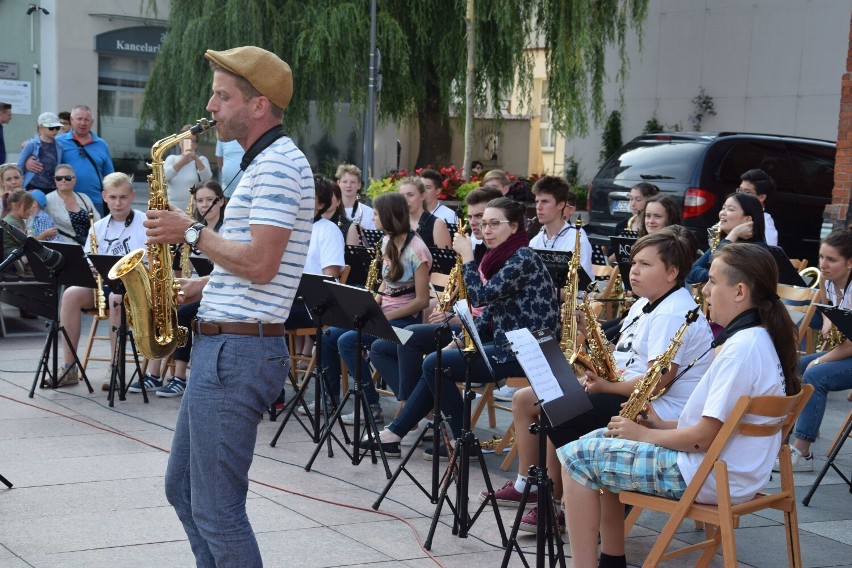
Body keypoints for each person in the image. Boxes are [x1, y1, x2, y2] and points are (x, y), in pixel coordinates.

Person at [144, 45, 314, 567]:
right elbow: (257, 264)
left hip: (237, 354)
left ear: (257, 105)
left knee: (218, 510)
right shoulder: (259, 163)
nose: (211, 106)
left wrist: (190, 231)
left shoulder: (280, 165)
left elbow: (263, 263)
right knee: (184, 491)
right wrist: (206, 286)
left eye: (223, 96)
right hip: (224, 345)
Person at [558, 243, 800, 568]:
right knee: (596, 441)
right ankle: (611, 560)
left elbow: (702, 438)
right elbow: (723, 427)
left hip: (706, 475)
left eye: (713, 281)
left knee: (575, 458)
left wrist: (642, 435)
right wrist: (658, 424)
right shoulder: (759, 338)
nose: (705, 289)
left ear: (740, 291)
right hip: (732, 473)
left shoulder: (740, 350)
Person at [485, 226, 713, 531]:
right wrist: (588, 348)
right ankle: (542, 489)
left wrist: (605, 386)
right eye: (633, 264)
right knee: (533, 397)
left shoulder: (672, 311)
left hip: (659, 408)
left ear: (672, 272)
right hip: (631, 392)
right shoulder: (644, 303)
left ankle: (565, 501)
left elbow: (658, 380)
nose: (634, 271)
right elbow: (624, 358)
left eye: (645, 265)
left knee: (560, 410)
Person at [371, 198, 560, 459]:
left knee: (436, 364)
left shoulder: (523, 257)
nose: (486, 229)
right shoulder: (503, 257)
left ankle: (454, 438)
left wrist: (468, 256)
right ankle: (404, 430)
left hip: (528, 350)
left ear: (514, 227)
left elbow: (480, 298)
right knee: (431, 355)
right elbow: (493, 310)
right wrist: (460, 340)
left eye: (494, 224)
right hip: (505, 342)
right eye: (484, 224)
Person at [368, 187, 502, 425]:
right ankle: (416, 410)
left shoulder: (499, 256)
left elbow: (484, 303)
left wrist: (454, 316)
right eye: (471, 217)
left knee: (431, 360)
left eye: (482, 218)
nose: (476, 223)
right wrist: (449, 310)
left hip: (487, 336)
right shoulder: (479, 249)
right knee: (388, 344)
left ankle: (414, 417)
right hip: (468, 326)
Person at [320, 192, 432, 423]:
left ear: (390, 217)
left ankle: (370, 405)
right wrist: (374, 303)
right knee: (330, 335)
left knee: (348, 341)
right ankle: (330, 398)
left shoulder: (418, 251)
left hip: (405, 321)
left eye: (377, 214)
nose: (373, 219)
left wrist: (386, 314)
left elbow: (422, 301)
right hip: (384, 314)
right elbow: (387, 279)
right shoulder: (386, 241)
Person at [132, 181, 229, 398]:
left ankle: (180, 376)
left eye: (209, 200)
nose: (205, 205)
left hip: (217, 291)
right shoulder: (193, 229)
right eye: (200, 201)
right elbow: (179, 272)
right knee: (164, 305)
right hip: (197, 287)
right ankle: (154, 373)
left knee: (181, 314)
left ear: (221, 201)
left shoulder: (225, 230)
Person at [55, 173, 146, 389]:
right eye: (112, 197)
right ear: (104, 197)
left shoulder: (145, 222)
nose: (117, 203)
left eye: (123, 197)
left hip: (135, 289)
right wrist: (91, 269)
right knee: (70, 294)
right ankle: (69, 367)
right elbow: (88, 261)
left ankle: (116, 369)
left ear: (132, 196)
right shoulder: (98, 227)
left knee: (116, 299)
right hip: (105, 285)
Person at [780, 227, 852, 472]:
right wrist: (830, 318)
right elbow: (829, 308)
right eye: (822, 257)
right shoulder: (830, 282)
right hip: (847, 351)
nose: (823, 264)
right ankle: (781, 442)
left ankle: (803, 452)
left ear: (850, 263)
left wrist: (820, 361)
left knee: (814, 373)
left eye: (831, 260)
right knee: (793, 367)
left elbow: (850, 345)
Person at [686, 192, 766, 285]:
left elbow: (717, 267)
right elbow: (691, 272)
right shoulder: (724, 242)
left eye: (730, 209)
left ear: (747, 219)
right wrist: (712, 276)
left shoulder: (757, 249)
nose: (722, 213)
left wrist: (734, 233)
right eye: (723, 208)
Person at [528, 175, 593, 281]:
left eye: (545, 201)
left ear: (560, 204)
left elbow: (582, 288)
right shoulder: (535, 242)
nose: (538, 207)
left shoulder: (577, 240)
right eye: (537, 201)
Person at [53, 105, 115, 214]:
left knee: (95, 231)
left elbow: (109, 176)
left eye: (87, 119)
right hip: (65, 201)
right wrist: (29, 160)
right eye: (79, 119)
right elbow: (39, 149)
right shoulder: (58, 142)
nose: (83, 123)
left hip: (95, 201)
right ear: (71, 120)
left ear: (92, 122)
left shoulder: (101, 144)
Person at [43, 164, 100, 245]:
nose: (63, 180)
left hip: (89, 245)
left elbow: (97, 221)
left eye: (67, 178)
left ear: (74, 180)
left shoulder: (84, 197)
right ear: (55, 180)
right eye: (59, 178)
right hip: (63, 247)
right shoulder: (47, 200)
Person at [164, 124, 213, 212]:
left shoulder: (201, 160)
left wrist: (196, 159)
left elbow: (207, 178)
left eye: (193, 141)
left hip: (194, 208)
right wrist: (182, 162)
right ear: (180, 142)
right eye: (186, 140)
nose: (189, 143)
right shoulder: (171, 159)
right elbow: (164, 177)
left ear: (196, 144)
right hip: (172, 207)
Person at [397, 176, 451, 249]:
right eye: (402, 196)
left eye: (410, 195)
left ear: (423, 195)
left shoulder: (437, 224)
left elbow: (445, 259)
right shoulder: (398, 222)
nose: (405, 200)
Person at [17, 112, 64, 193]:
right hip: (33, 185)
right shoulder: (31, 144)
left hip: (52, 186)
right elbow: (20, 165)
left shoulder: (59, 146)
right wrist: (19, 185)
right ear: (41, 127)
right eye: (51, 128)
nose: (55, 130)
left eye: (57, 127)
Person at [738, 168, 778, 246]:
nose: (740, 196)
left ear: (761, 197)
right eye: (740, 190)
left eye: (747, 192)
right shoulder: (735, 213)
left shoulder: (765, 223)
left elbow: (769, 251)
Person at [336, 163, 376, 229]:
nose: (348, 185)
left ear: (359, 185)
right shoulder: (331, 210)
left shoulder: (369, 213)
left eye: (352, 182)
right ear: (338, 183)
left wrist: (363, 234)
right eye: (345, 182)